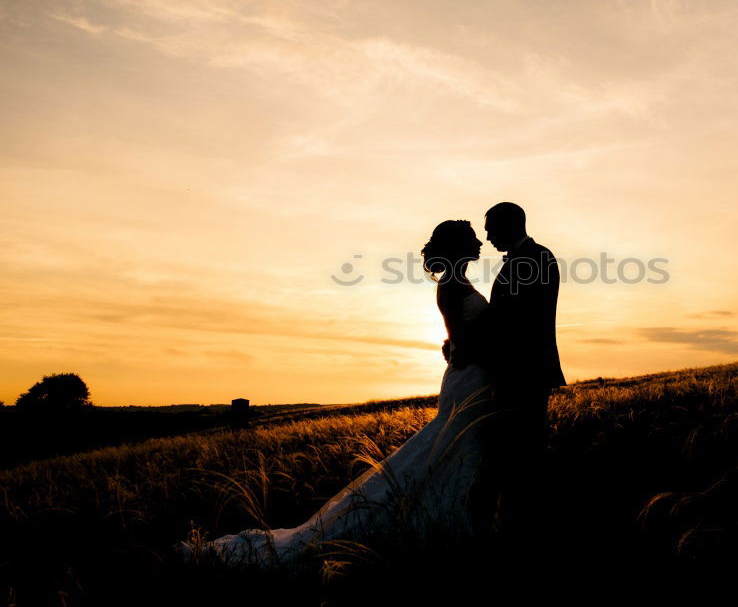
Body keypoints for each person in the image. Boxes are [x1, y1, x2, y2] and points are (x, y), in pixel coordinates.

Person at [176, 220, 500, 571]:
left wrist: (459, 345)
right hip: (467, 381)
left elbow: (456, 342)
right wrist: (494, 344)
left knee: (460, 451)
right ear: (457, 246)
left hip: (475, 379)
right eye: (472, 239)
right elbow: (463, 348)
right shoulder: (450, 287)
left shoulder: (459, 282)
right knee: (451, 449)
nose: (479, 243)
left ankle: (461, 522)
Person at [445, 202, 566, 536]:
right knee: (518, 451)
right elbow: (503, 319)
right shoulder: (527, 259)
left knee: (524, 452)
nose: (486, 236)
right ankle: (517, 521)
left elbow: (516, 321)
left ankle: (525, 526)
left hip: (524, 370)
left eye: (491, 228)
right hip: (516, 370)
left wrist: (469, 343)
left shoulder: (534, 259)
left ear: (509, 224)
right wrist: (461, 339)